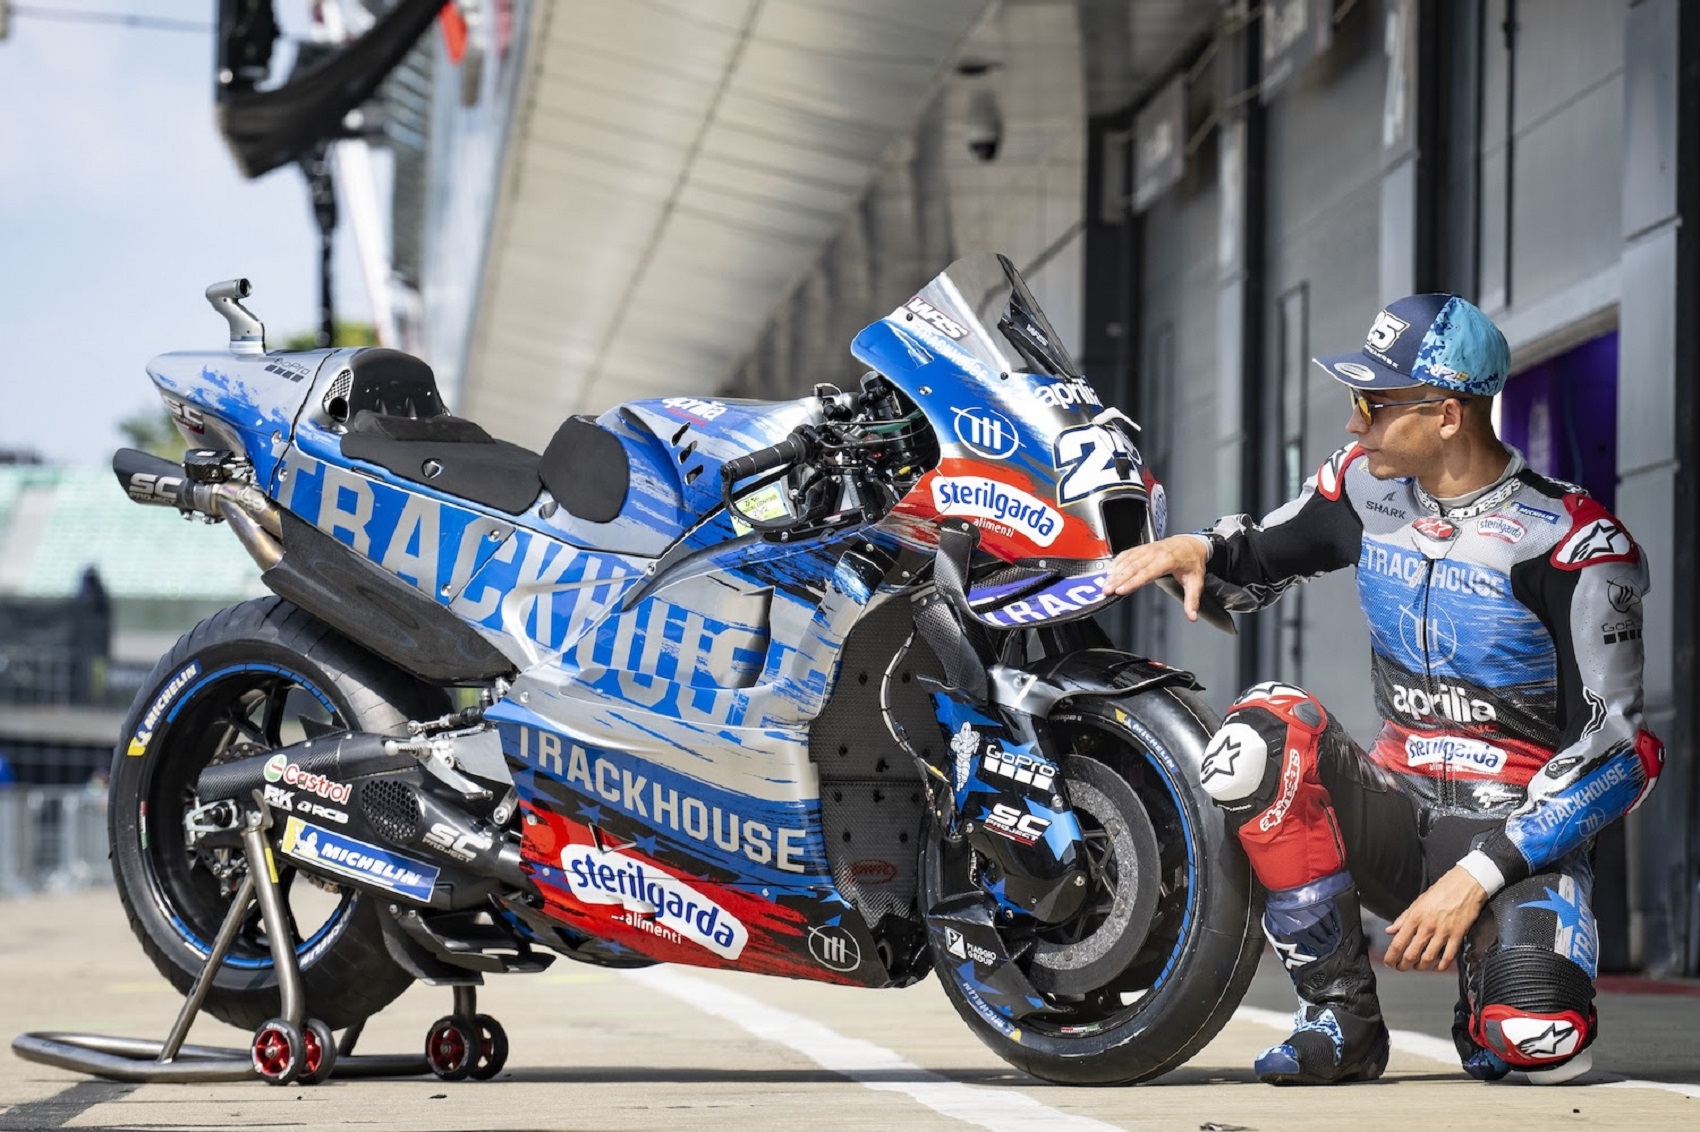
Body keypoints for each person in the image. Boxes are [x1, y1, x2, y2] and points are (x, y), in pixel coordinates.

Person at [1105, 293, 1662, 1086]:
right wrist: (1196, 546)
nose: (1352, 424)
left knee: (1538, 1045)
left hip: (1516, 845)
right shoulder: (1363, 487)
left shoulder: (1573, 542)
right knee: (1259, 732)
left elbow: (1621, 754)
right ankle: (1341, 1017)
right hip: (1395, 812)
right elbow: (1258, 551)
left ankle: (1489, 975)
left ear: (1445, 414)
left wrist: (1479, 877)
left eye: (1371, 402)